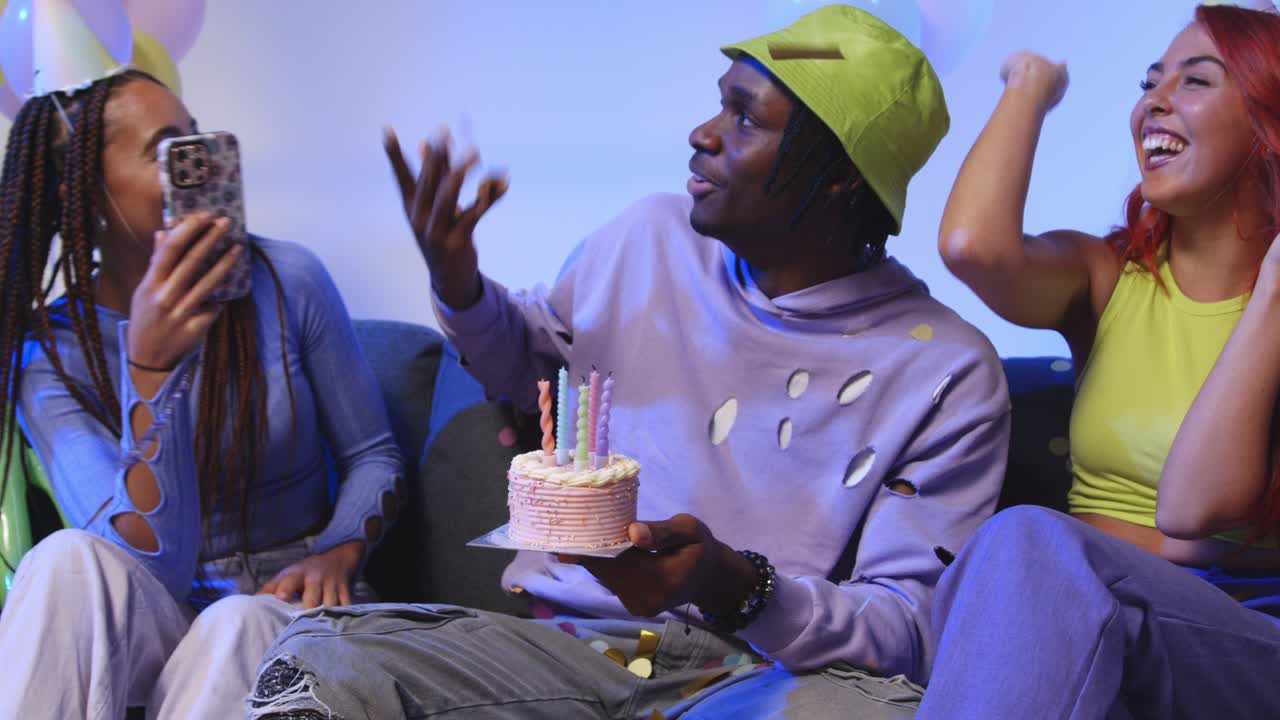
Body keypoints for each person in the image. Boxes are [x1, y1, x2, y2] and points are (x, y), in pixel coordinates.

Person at [247, 6, 1008, 719]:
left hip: (756, 678)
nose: (703, 134)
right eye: (720, 104)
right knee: (318, 657)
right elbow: (528, 368)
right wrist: (458, 282)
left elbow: (908, 629)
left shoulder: (946, 371)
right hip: (565, 652)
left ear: (840, 175)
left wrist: (735, 585)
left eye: (745, 118)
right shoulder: (649, 238)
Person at [0, 69, 404, 719]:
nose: (204, 162)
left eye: (198, 138)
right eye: (168, 149)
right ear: (88, 194)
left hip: (290, 604)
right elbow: (143, 564)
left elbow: (374, 454)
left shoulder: (288, 279)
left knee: (236, 622)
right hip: (162, 611)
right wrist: (151, 370)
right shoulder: (50, 352)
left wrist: (341, 550)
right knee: (65, 559)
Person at [918, 4, 1280, 718]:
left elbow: (1192, 510)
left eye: (1195, 81)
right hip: (1081, 608)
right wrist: (1030, 87)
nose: (1155, 101)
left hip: (1246, 637)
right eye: (1150, 82)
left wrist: (1272, 291)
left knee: (1026, 543)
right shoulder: (1110, 278)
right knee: (1014, 562)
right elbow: (972, 247)